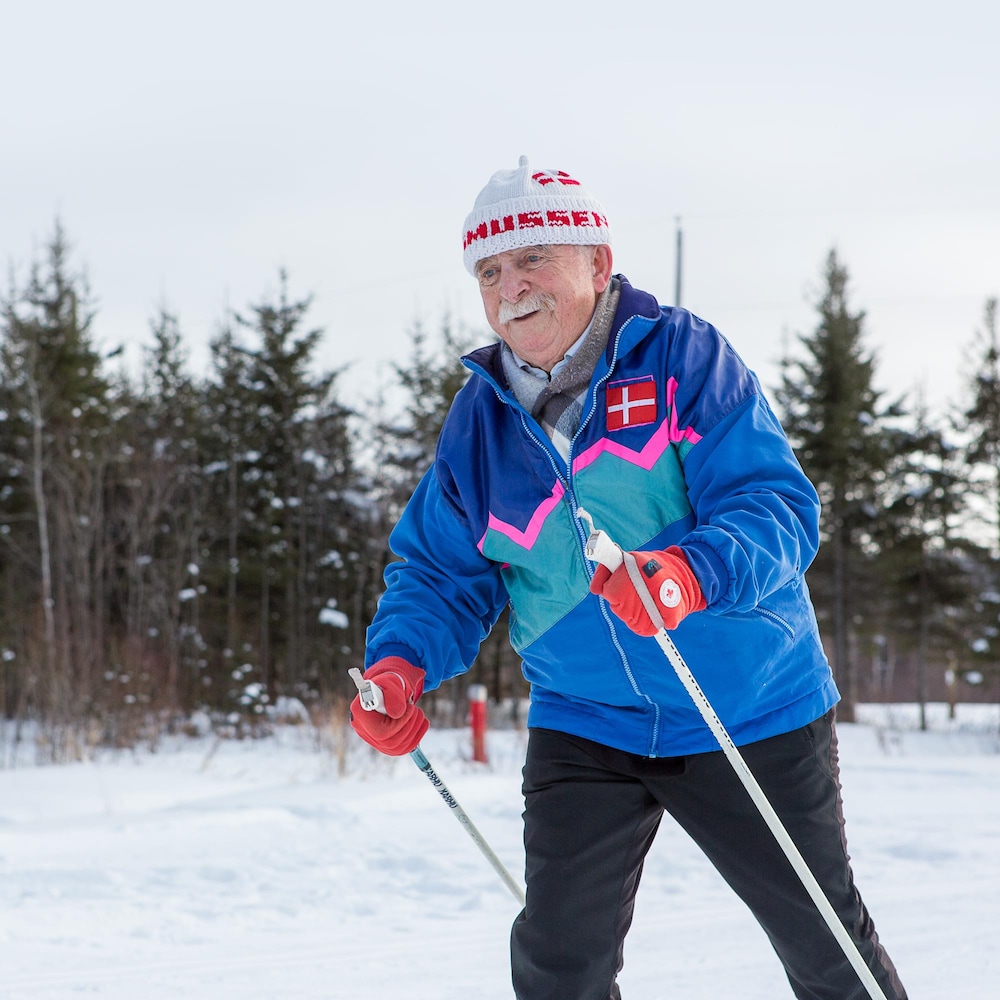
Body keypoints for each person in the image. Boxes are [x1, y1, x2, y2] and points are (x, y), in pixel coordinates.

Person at [350, 156, 907, 1000]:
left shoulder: (684, 357)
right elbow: (439, 570)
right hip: (588, 719)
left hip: (744, 703)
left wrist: (687, 573)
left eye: (533, 257)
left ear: (598, 264)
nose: (510, 287)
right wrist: (400, 665)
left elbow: (777, 507)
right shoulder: (480, 421)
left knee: (825, 943)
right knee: (556, 964)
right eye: (490, 271)